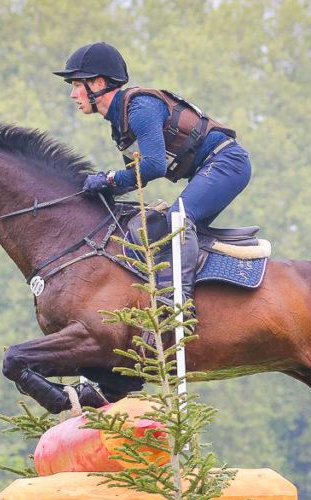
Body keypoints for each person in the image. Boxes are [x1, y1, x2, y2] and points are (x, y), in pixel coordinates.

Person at [54, 42, 252, 316]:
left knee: (177, 220)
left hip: (227, 163)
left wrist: (108, 179)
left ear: (98, 83)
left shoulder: (139, 108)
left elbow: (154, 166)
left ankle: (178, 302)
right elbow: (138, 179)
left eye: (76, 85)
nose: (73, 94)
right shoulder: (120, 123)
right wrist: (98, 191)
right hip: (213, 167)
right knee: (156, 225)